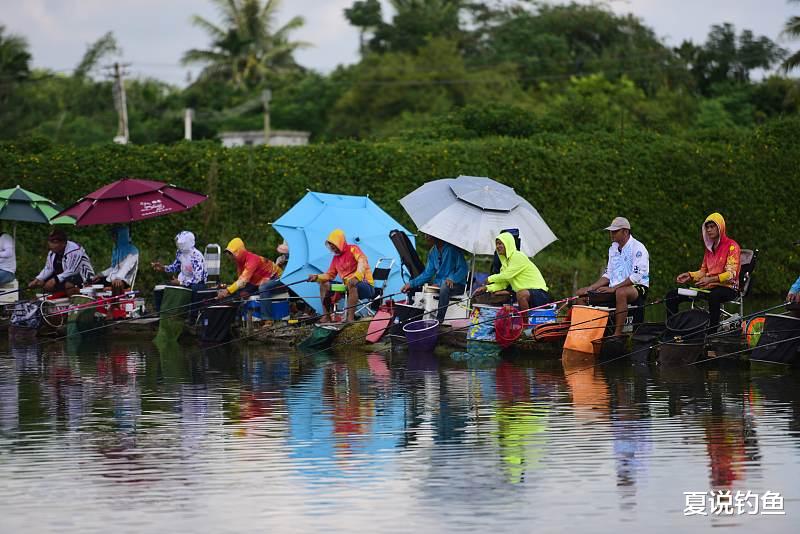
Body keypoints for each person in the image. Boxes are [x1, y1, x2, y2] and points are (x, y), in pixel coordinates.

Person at [665, 213, 740, 330]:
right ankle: (672, 328)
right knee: (672, 295)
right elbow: (703, 272)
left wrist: (710, 279)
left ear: (720, 227)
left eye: (712, 226)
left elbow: (731, 274)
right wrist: (690, 275)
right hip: (708, 288)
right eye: (707, 227)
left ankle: (712, 330)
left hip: (728, 288)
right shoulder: (709, 249)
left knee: (714, 296)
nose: (709, 230)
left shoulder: (732, 246)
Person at [576, 216, 650, 337]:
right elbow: (608, 274)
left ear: (625, 231)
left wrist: (614, 288)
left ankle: (617, 334)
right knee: (582, 296)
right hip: (615, 287)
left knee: (621, 293)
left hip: (637, 287)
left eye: (615, 231)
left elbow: (636, 277)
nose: (611, 234)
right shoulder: (613, 248)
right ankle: (584, 335)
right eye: (611, 231)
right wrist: (591, 288)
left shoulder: (638, 248)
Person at [307, 229, 374, 323]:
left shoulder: (353, 249)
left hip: (366, 285)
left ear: (340, 242)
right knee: (324, 284)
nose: (333, 249)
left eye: (334, 246)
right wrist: (316, 277)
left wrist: (356, 277)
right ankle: (326, 317)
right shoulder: (335, 258)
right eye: (331, 247)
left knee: (351, 283)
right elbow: (330, 275)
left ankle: (350, 319)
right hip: (346, 286)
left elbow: (362, 261)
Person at [472, 231, 552, 311]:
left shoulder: (518, 256)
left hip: (540, 294)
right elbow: (503, 284)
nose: (497, 246)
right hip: (526, 295)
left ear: (508, 244)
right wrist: (487, 288)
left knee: (520, 294)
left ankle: (524, 321)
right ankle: (493, 315)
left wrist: (489, 279)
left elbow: (507, 275)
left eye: (500, 244)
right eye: (496, 244)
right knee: (497, 294)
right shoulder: (505, 264)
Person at [401, 235, 468, 323]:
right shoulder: (432, 252)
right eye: (425, 235)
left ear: (437, 236)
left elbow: (463, 269)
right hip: (440, 285)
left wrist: (452, 278)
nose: (426, 237)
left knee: (445, 286)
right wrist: (411, 284)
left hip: (457, 285)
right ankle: (414, 319)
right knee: (418, 288)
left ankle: (439, 320)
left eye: (429, 236)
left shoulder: (452, 249)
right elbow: (427, 273)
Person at [218, 238, 283, 321]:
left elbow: (242, 281)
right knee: (240, 293)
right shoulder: (239, 262)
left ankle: (267, 319)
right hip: (262, 281)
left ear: (239, 252)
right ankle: (237, 319)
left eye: (231, 253)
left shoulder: (252, 259)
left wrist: (227, 290)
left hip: (278, 278)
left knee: (263, 288)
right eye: (229, 254)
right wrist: (230, 291)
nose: (230, 256)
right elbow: (241, 282)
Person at [28, 229, 94, 297]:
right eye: (50, 242)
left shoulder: (74, 250)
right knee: (43, 283)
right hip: (63, 276)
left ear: (64, 243)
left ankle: (75, 302)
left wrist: (54, 280)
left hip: (82, 276)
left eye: (55, 242)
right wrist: (38, 279)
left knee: (68, 284)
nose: (51, 245)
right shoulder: (52, 252)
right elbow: (48, 268)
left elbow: (72, 270)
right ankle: (56, 300)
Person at [91, 226, 139, 295]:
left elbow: (126, 267)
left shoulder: (133, 250)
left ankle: (115, 304)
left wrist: (118, 277)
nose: (113, 238)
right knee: (92, 282)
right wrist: (100, 274)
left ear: (121, 236)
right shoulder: (116, 249)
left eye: (115, 235)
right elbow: (113, 268)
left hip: (124, 280)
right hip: (112, 278)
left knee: (116, 283)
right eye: (113, 235)